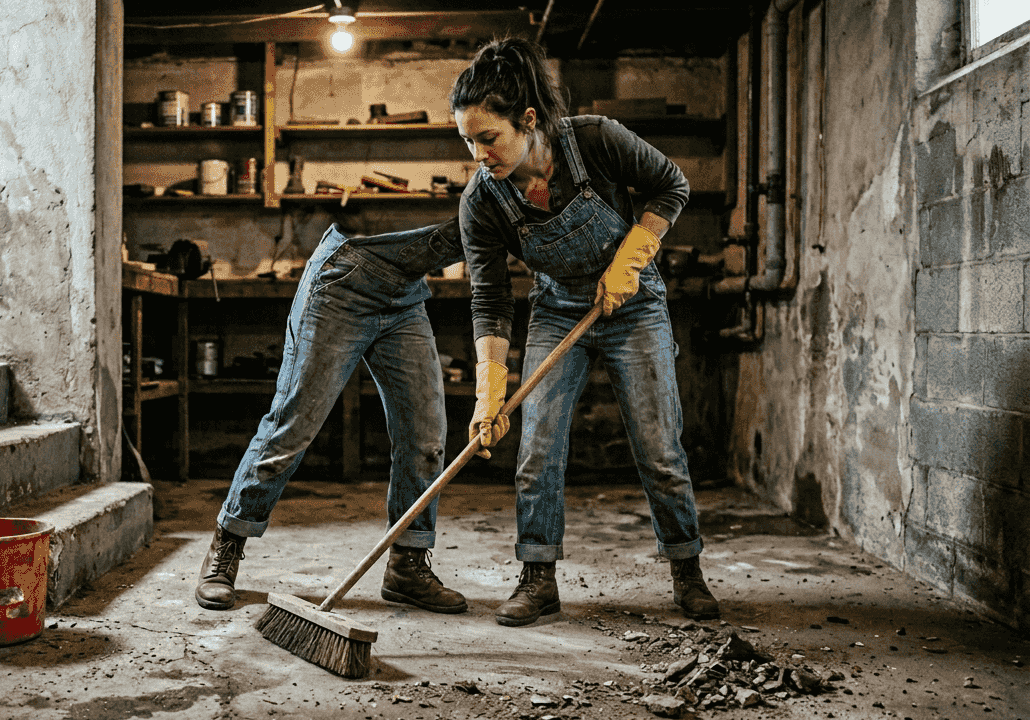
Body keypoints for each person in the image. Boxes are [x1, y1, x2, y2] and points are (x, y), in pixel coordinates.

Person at [449, 37, 720, 626]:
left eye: (487, 138)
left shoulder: (595, 140)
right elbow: (490, 298)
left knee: (658, 447)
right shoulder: (482, 201)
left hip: (635, 307)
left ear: (527, 121)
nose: (478, 154)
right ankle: (538, 577)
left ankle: (687, 570)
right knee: (537, 448)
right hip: (559, 310)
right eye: (467, 141)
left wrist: (630, 261)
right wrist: (489, 391)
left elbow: (671, 185)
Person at [194, 219, 473, 615]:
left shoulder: (525, 195)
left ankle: (407, 567)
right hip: (343, 284)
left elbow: (492, 288)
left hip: (405, 297)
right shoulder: (488, 180)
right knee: (293, 427)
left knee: (426, 439)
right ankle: (227, 542)